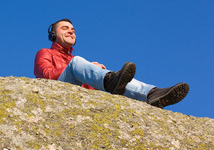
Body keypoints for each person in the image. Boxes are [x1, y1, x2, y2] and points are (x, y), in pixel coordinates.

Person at [34, 18, 189, 108]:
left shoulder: (80, 64)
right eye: (65, 28)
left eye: (73, 29)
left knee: (121, 79)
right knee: (78, 62)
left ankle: (152, 94)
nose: (71, 31)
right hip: (58, 94)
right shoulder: (45, 53)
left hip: (79, 97)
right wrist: (77, 69)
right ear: (53, 34)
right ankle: (109, 79)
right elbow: (46, 76)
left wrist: (92, 77)